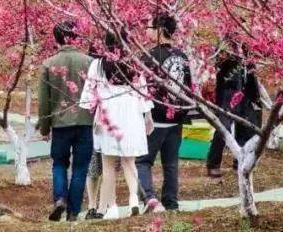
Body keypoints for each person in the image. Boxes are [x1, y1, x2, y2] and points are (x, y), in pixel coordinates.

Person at [80, 30, 152, 219]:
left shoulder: (99, 64)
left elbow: (89, 93)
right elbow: (143, 91)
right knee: (130, 161)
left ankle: (112, 208)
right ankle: (134, 199)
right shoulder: (134, 63)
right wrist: (147, 116)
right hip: (131, 114)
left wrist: (90, 110)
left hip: (108, 115)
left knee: (108, 164)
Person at [37, 21, 94, 222]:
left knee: (59, 163)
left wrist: (44, 128)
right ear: (77, 37)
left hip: (60, 124)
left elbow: (44, 101)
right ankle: (73, 211)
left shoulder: (48, 64)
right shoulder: (89, 62)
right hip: (85, 122)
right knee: (80, 167)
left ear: (56, 39)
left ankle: (60, 198)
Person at [137, 12, 192, 212]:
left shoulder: (149, 56)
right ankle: (171, 201)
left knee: (143, 161)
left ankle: (150, 198)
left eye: (149, 27)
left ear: (159, 30)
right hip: (176, 118)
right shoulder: (182, 56)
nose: (146, 31)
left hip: (156, 118)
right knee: (170, 163)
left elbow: (141, 89)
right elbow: (189, 88)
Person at [205, 36, 262, 177]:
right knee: (223, 127)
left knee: (246, 128)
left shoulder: (248, 44)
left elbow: (253, 65)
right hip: (228, 91)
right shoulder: (224, 45)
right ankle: (213, 163)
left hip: (246, 90)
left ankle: (240, 161)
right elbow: (218, 63)